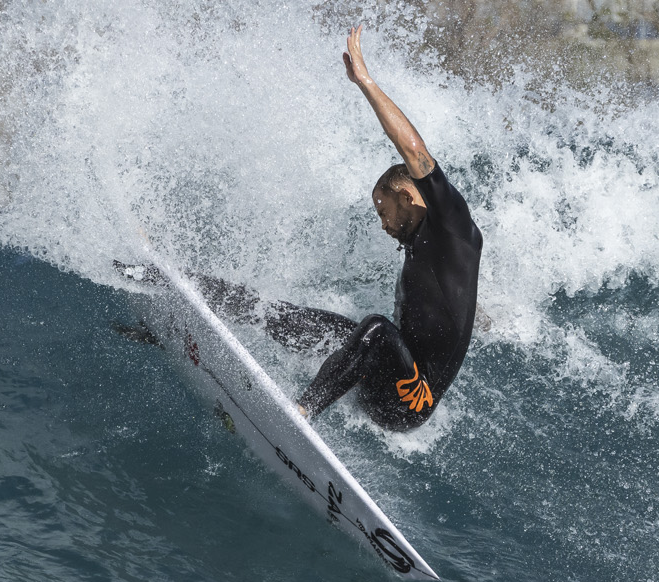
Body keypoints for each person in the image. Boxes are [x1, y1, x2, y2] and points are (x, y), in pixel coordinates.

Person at [142, 27, 482, 432]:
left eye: (385, 211)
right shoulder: (422, 241)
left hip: (410, 402)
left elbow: (413, 150)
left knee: (374, 329)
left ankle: (298, 415)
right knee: (284, 315)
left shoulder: (452, 224)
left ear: (408, 197)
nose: (384, 224)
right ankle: (178, 293)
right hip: (388, 370)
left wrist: (366, 83)